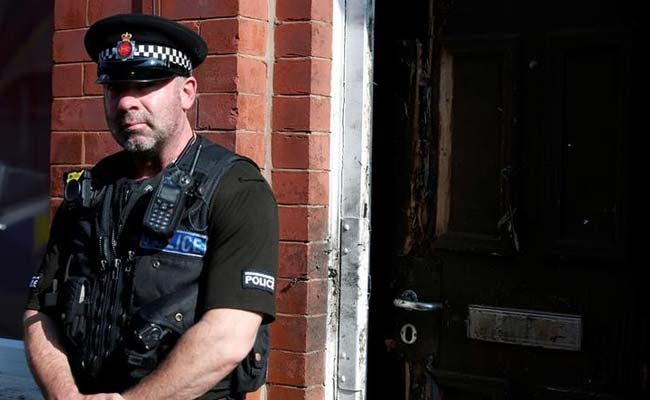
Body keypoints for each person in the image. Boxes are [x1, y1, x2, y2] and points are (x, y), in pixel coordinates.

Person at [23, 13, 278, 400]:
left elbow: (229, 335)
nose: (126, 101)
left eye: (146, 84)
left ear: (187, 93)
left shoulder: (236, 189)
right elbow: (39, 309)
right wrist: (66, 396)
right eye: (115, 87)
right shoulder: (89, 191)